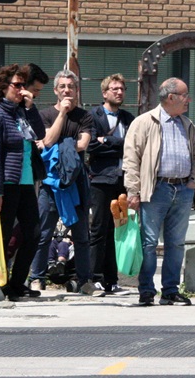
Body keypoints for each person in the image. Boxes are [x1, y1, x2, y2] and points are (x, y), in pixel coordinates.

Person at [124, 77, 195, 306]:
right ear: (171, 98)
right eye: (184, 95)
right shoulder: (144, 122)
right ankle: (147, 291)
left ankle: (170, 291)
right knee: (148, 242)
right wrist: (133, 190)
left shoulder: (187, 124)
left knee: (177, 243)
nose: (189, 100)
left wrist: (193, 181)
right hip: (155, 189)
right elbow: (131, 159)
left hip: (183, 190)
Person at [29, 70, 99, 295]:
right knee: (43, 234)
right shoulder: (45, 115)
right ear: (56, 90)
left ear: (76, 90)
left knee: (81, 236)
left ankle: (84, 280)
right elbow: (46, 140)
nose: (67, 90)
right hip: (50, 184)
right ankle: (36, 278)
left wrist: (57, 143)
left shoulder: (85, 117)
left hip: (76, 183)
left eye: (71, 86)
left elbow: (83, 144)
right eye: (62, 86)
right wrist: (63, 115)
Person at [0, 64, 47, 301]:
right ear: (4, 87)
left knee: (33, 233)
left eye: (24, 85)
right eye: (17, 85)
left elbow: (40, 133)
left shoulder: (21, 112)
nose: (22, 90)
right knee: (3, 237)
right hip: (7, 183)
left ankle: (17, 282)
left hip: (25, 183)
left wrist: (30, 106)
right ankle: (2, 285)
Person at [86, 74, 134, 295]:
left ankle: (112, 281)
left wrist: (110, 141)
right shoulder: (93, 116)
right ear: (104, 93)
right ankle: (95, 278)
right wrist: (111, 144)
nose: (119, 92)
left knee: (117, 230)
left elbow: (133, 146)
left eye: (122, 89)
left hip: (122, 179)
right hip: (101, 178)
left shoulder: (128, 118)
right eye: (114, 89)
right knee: (98, 229)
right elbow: (92, 147)